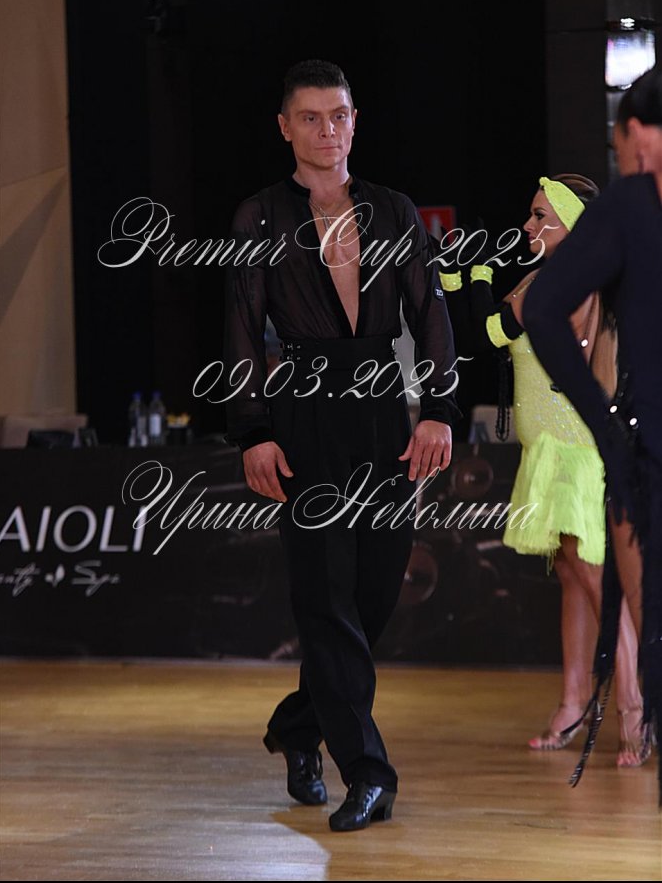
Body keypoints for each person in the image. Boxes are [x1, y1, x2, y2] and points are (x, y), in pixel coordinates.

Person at [223, 60, 459, 831]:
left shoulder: (393, 210)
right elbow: (242, 329)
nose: (328, 130)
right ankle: (369, 772)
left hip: (385, 412)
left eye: (340, 115)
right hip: (304, 414)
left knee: (373, 597)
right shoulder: (259, 216)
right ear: (285, 127)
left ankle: (298, 725)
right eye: (311, 117)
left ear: (355, 121)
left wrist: (438, 409)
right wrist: (254, 430)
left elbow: (430, 314)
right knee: (325, 599)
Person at [436, 174, 646, 765]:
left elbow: (485, 334)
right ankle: (572, 703)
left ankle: (636, 710)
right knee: (573, 577)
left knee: (595, 580)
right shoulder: (548, 278)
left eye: (539, 215)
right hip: (552, 449)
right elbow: (479, 337)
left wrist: (475, 273)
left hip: (574, 451)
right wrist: (459, 275)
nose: (528, 225)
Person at [523, 66, 662, 791]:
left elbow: (540, 315)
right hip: (613, 442)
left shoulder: (623, 215)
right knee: (590, 581)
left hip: (607, 442)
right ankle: (600, 704)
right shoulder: (626, 216)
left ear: (635, 134)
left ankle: (634, 712)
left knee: (611, 586)